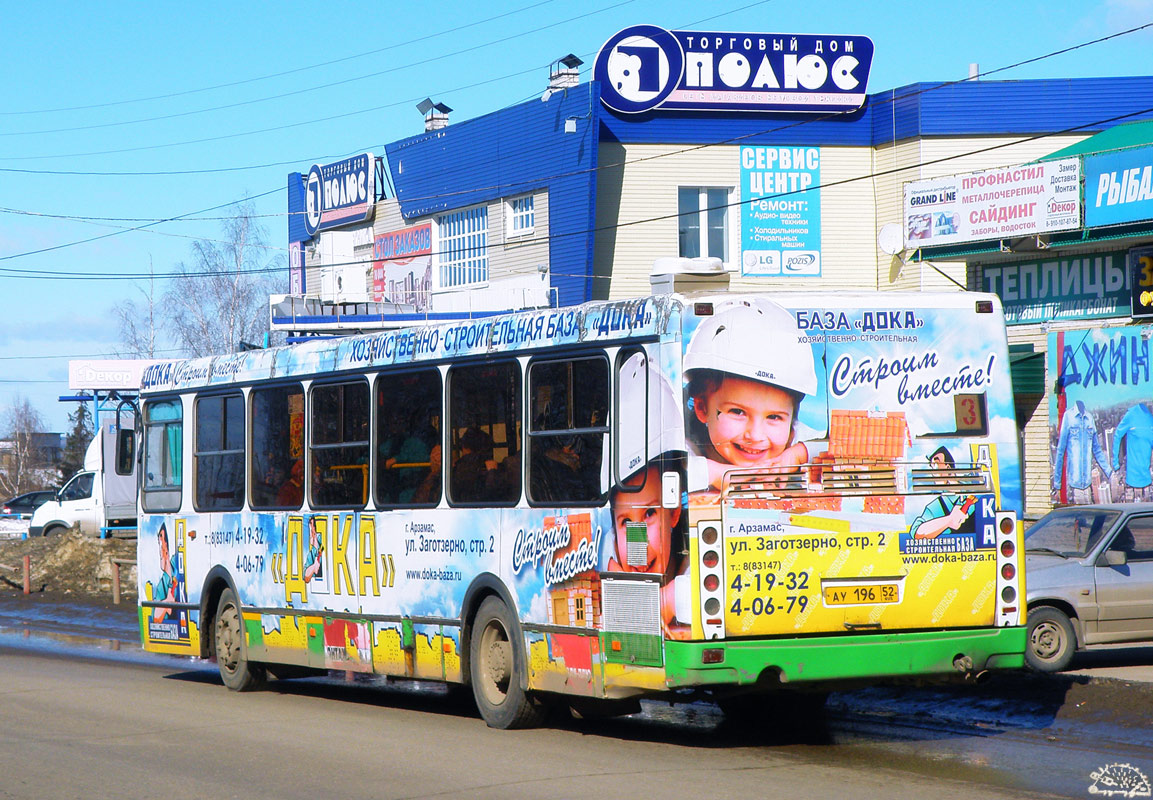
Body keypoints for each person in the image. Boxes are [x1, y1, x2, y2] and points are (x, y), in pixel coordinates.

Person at [684, 298, 820, 491]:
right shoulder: (686, 443)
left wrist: (801, 452)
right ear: (702, 408)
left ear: (791, 420)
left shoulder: (794, 439)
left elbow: (840, 447)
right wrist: (715, 472)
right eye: (737, 412)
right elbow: (660, 470)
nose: (755, 435)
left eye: (774, 417)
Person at [607, 351, 689, 639]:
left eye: (650, 513)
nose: (637, 540)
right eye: (625, 522)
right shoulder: (610, 552)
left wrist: (667, 599)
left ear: (675, 511)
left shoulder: (694, 569)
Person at [910, 446, 977, 539]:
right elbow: (917, 533)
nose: (933, 472)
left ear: (948, 467)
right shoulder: (936, 507)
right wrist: (949, 520)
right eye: (931, 466)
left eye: (936, 464)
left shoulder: (973, 483)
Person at [152, 522, 179, 623]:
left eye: (162, 546)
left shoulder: (177, 564)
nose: (160, 552)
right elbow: (156, 618)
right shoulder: (161, 585)